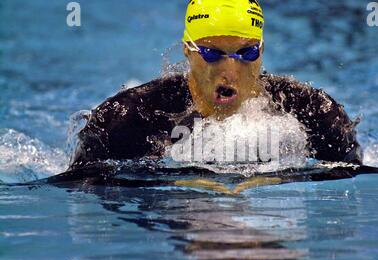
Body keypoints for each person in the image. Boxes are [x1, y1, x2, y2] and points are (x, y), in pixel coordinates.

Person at [68, 0, 363, 171]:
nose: (230, 72)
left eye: (247, 53)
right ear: (187, 49)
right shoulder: (129, 119)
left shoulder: (314, 113)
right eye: (211, 54)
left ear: (262, 49)